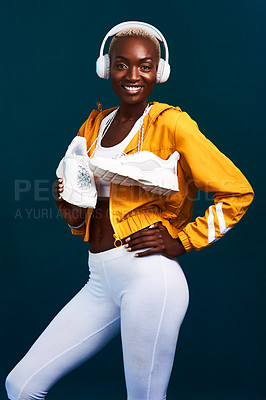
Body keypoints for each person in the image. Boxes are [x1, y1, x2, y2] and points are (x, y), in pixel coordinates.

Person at [5, 21, 254, 400]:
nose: (133, 76)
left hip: (149, 278)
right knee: (20, 385)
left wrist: (183, 241)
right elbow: (83, 206)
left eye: (145, 65)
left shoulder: (171, 123)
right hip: (100, 279)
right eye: (122, 65)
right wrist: (71, 210)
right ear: (107, 69)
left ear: (159, 71)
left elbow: (237, 192)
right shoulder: (93, 125)